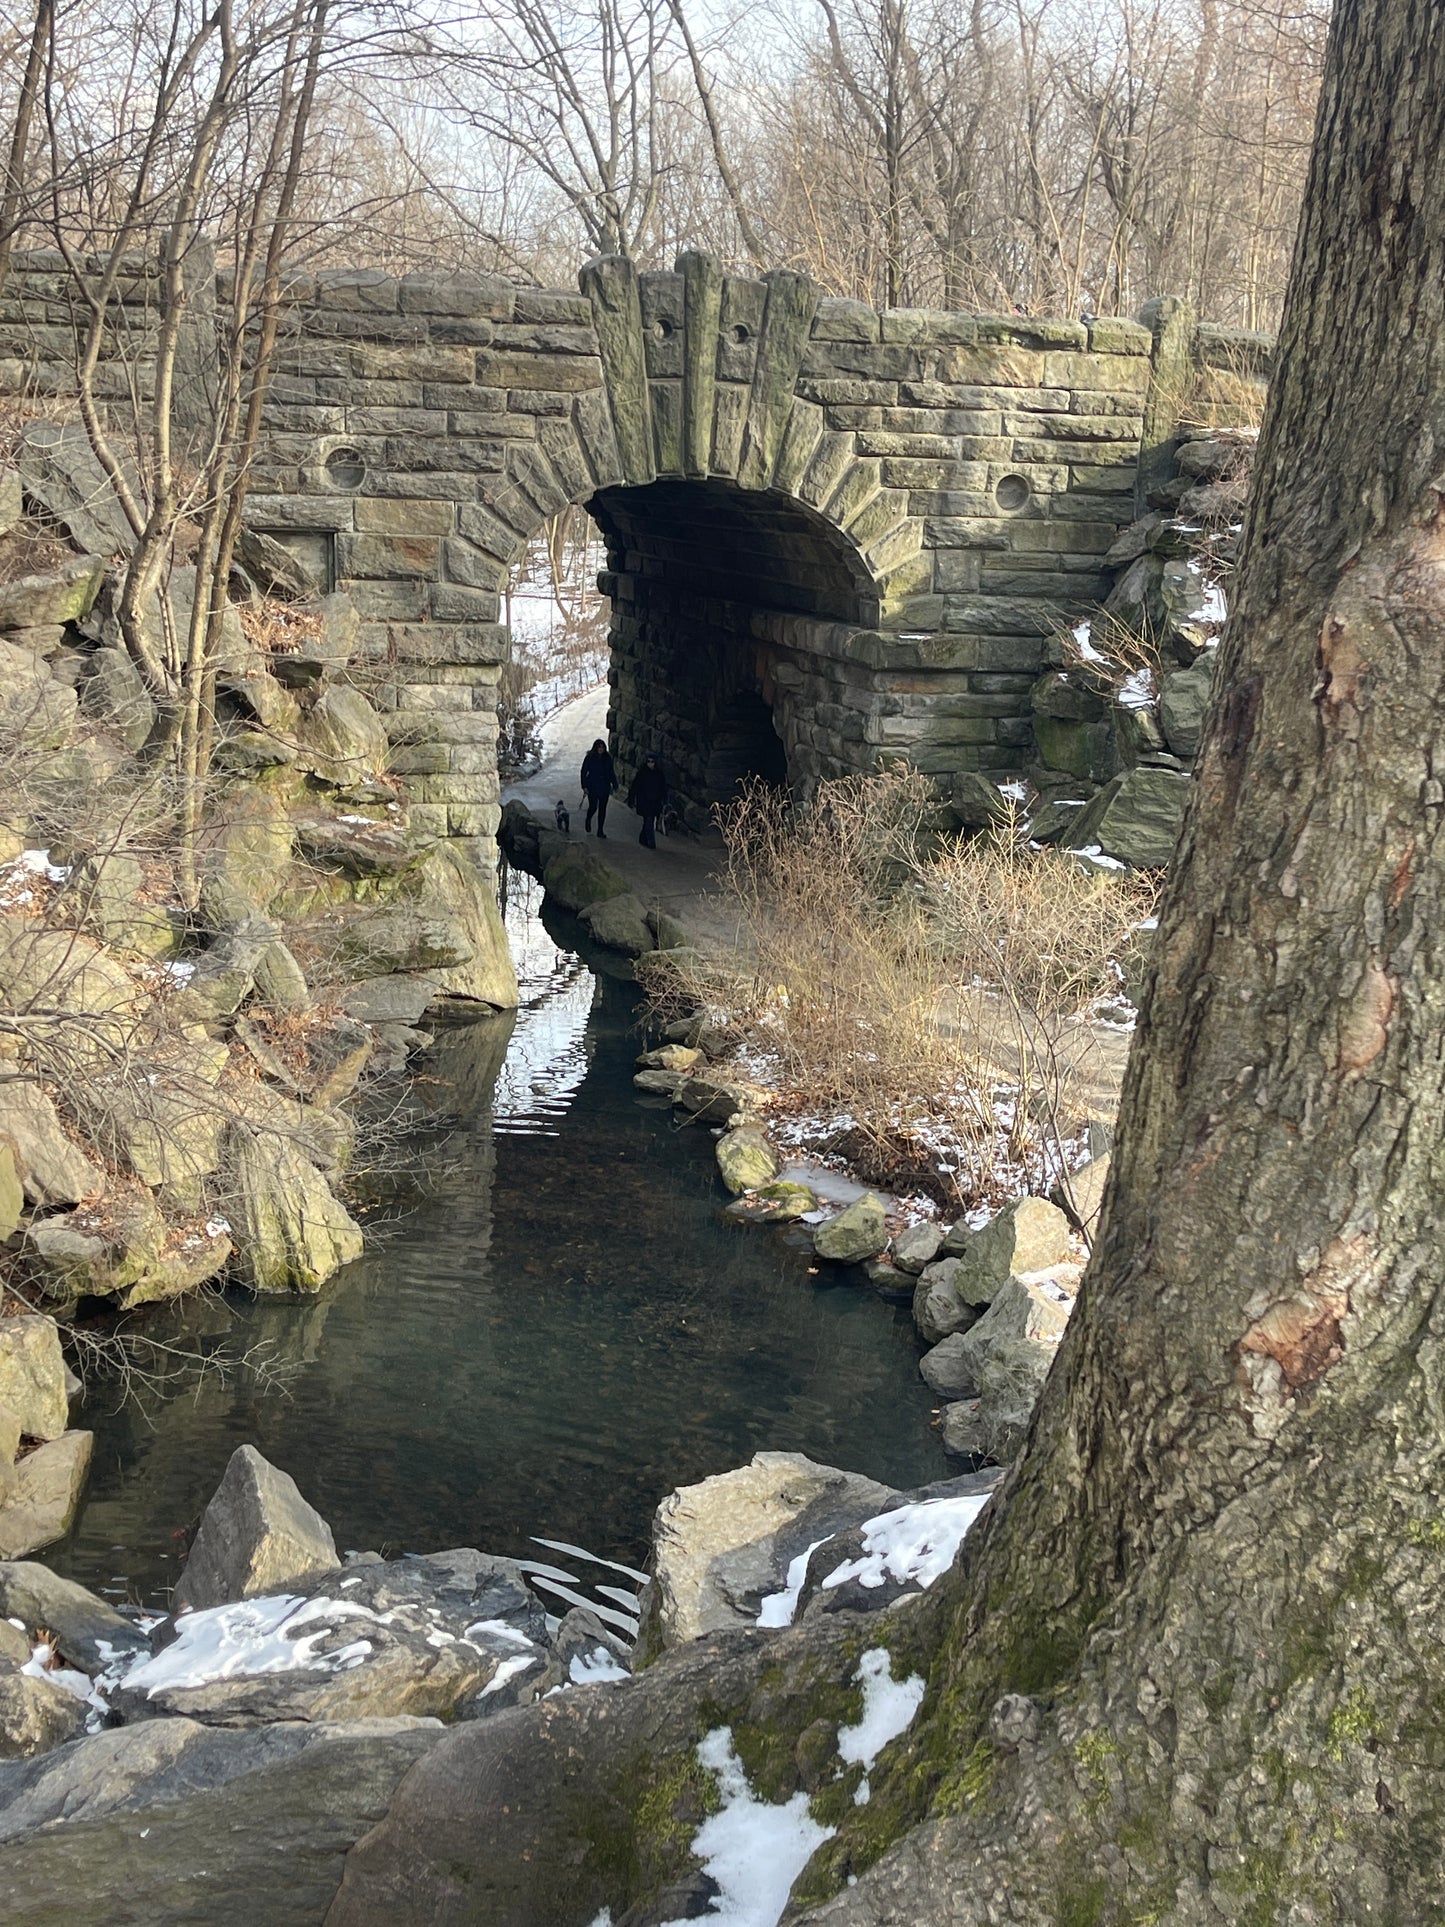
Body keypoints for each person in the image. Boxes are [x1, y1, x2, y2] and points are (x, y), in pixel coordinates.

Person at [627, 752, 668, 849]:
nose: (650, 763)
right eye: (648, 761)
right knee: (648, 820)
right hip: (644, 801)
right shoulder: (642, 773)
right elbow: (634, 787)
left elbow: (663, 788)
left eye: (652, 762)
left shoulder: (659, 774)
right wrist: (631, 800)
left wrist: (665, 800)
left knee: (648, 821)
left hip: (655, 801)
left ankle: (642, 838)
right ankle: (651, 842)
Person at [579, 739, 617, 838]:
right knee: (593, 806)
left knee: (602, 809)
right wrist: (584, 786)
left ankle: (600, 830)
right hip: (593, 786)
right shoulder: (590, 757)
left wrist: (615, 784)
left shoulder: (608, 758)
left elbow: (611, 772)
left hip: (604, 786)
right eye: (599, 747)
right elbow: (584, 772)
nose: (601, 749)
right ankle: (588, 818)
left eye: (602, 747)